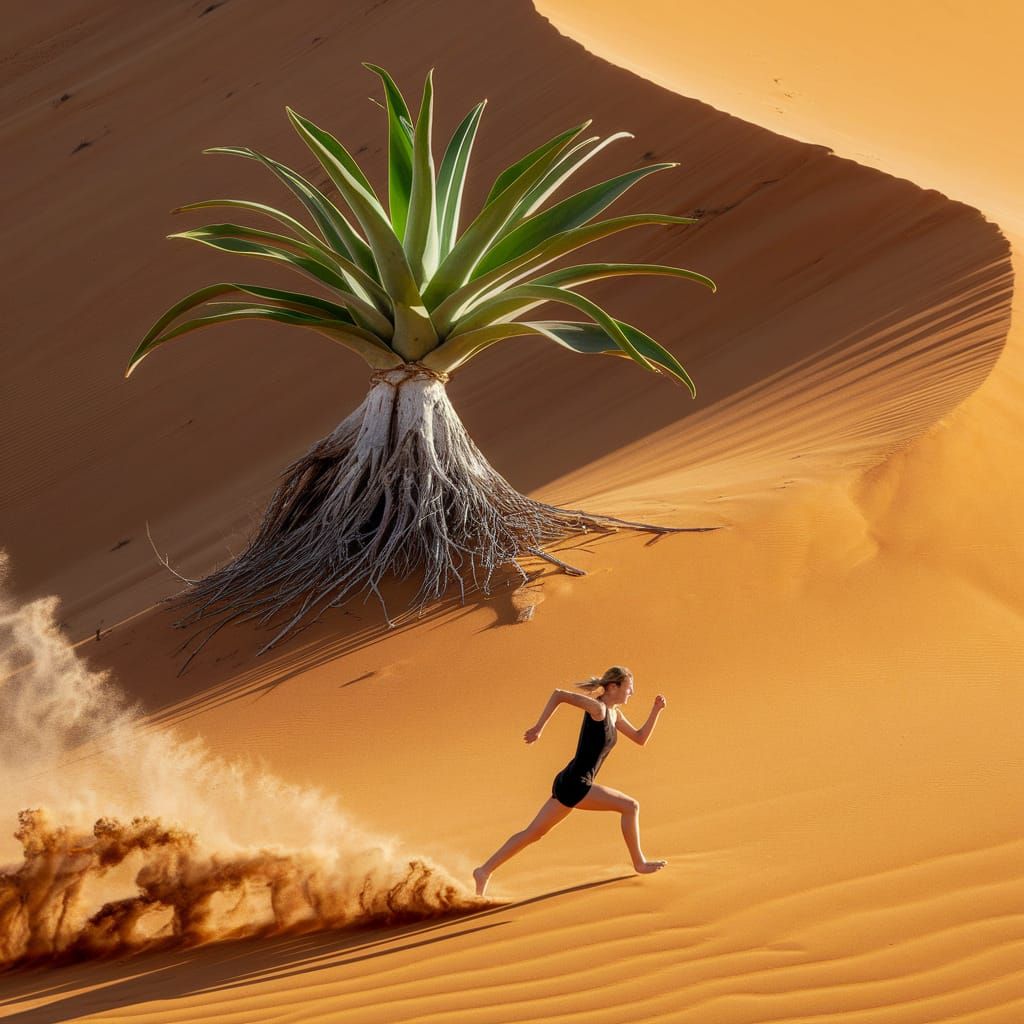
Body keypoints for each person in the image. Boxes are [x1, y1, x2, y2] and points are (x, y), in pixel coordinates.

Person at [473, 666, 667, 897]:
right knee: (630, 806)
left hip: (569, 780)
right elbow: (559, 694)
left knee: (533, 833)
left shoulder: (615, 715)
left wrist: (656, 711)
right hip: (577, 783)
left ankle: (483, 871)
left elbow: (640, 738)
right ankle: (639, 863)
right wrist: (538, 728)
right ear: (613, 687)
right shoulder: (598, 708)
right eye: (629, 688)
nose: (631, 693)